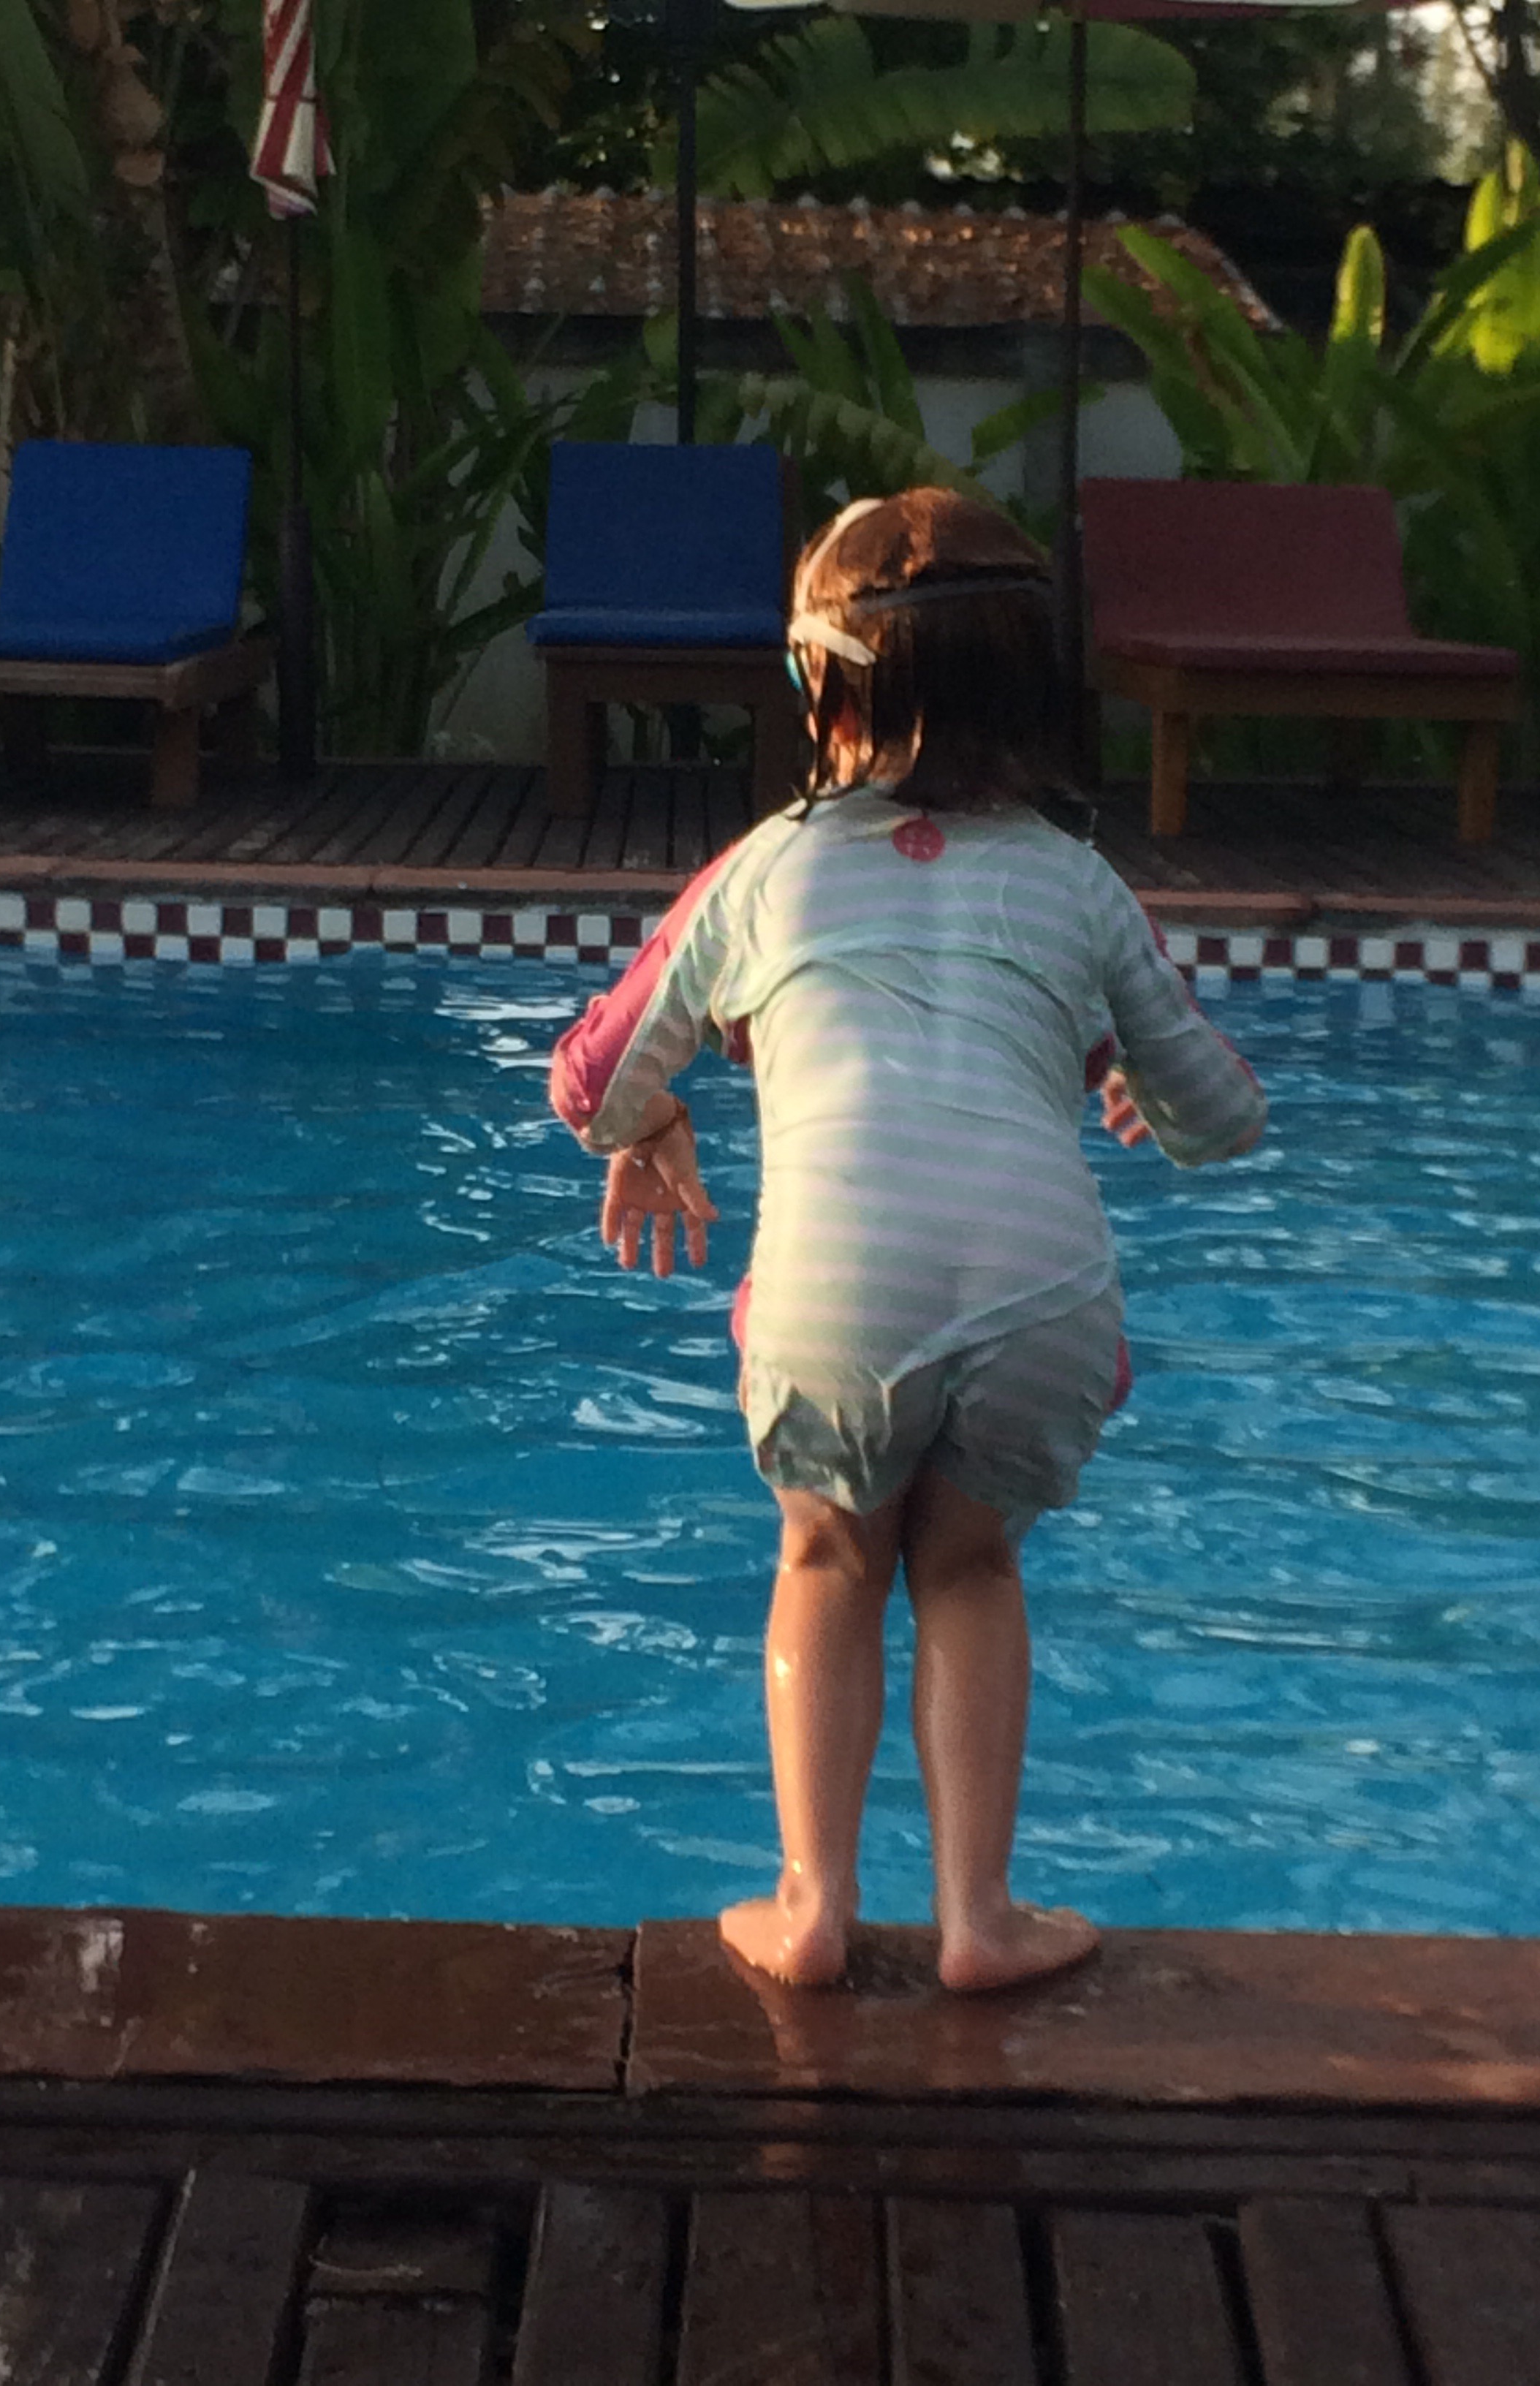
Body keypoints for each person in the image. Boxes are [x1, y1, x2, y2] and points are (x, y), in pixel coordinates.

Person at [549, 488, 1266, 1993]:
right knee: (971, 1565)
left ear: (821, 692)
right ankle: (980, 1920)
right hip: (1044, 1294)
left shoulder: (764, 868)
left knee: (827, 1552)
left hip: (839, 1293)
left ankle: (812, 1907)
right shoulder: (1081, 883)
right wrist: (1136, 1087)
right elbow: (1222, 1118)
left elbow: (594, 1079)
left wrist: (654, 1127)